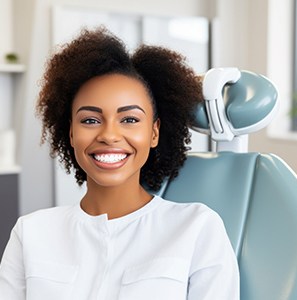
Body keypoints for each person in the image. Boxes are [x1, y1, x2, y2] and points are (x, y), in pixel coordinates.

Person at [0, 27, 239, 299]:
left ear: (154, 132)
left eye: (129, 119)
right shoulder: (31, 233)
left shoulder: (197, 228)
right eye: (90, 120)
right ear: (70, 132)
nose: (109, 135)